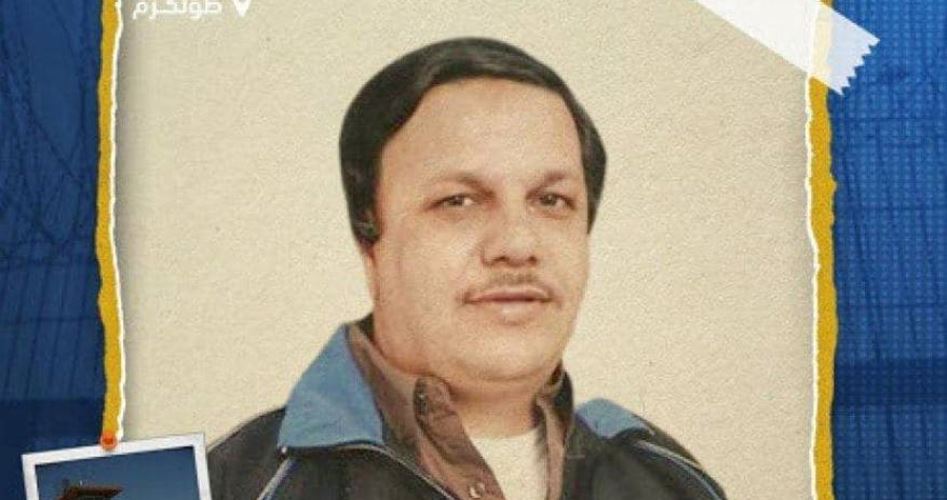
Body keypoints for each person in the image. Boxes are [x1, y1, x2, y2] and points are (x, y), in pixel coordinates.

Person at [208, 37, 727, 500]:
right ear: (369, 240)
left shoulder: (675, 483)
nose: (518, 244)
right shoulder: (222, 485)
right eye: (458, 201)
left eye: (551, 200)